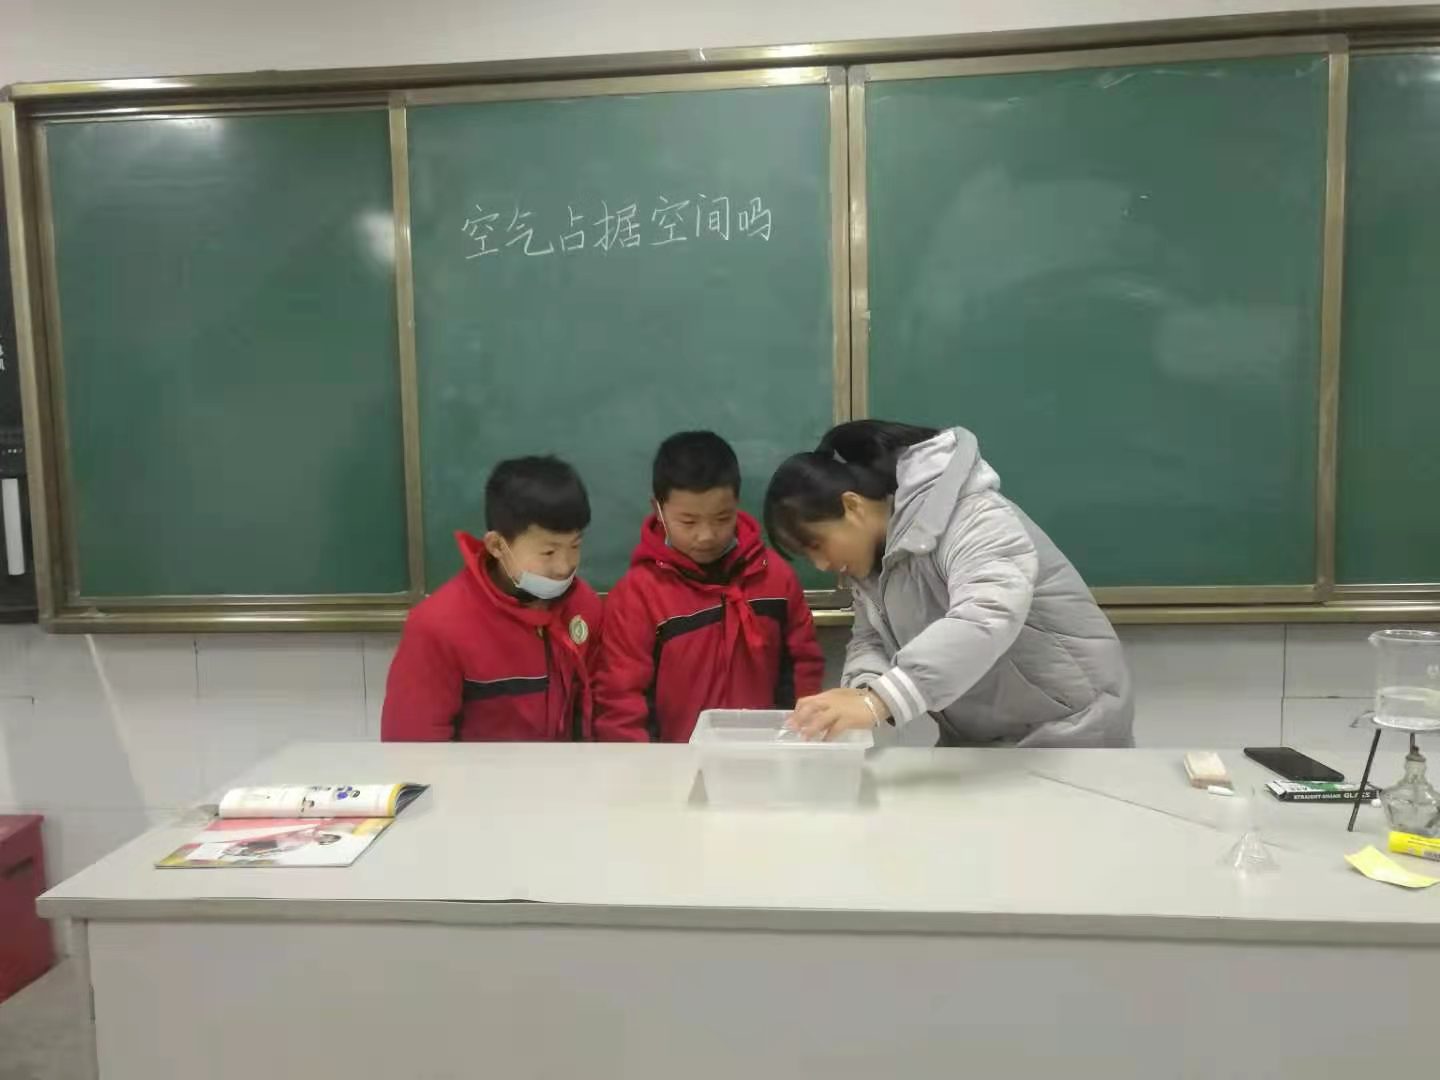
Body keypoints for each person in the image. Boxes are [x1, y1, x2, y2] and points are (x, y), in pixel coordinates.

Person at [763, 421, 1133, 747]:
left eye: (816, 544)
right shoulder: (872, 562)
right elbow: (871, 639)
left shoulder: (972, 515)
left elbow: (985, 615)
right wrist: (860, 692)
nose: (822, 564)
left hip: (1070, 735)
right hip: (981, 743)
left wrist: (879, 701)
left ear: (853, 506)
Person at [594, 431, 824, 742]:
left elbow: (803, 670)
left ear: (737, 503)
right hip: (673, 762)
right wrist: (646, 767)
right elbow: (622, 702)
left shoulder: (774, 578)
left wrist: (793, 744)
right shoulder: (637, 595)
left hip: (764, 753)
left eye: (721, 518)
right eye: (688, 522)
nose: (706, 535)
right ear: (658, 509)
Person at [382, 456, 602, 741]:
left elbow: (599, 711)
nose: (564, 566)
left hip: (569, 769)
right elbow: (412, 747)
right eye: (548, 552)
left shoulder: (583, 606)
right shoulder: (438, 626)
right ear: (497, 545)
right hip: (476, 772)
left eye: (575, 546)